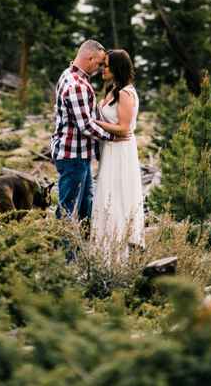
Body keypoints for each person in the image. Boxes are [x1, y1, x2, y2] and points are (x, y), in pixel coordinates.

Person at [51, 39, 116, 224]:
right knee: (68, 209)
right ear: (89, 57)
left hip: (78, 154)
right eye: (99, 63)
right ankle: (66, 252)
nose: (100, 67)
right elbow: (85, 125)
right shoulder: (77, 85)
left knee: (85, 204)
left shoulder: (68, 74)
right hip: (73, 156)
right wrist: (113, 136)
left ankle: (82, 249)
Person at [90, 48, 145, 260]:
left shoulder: (125, 93)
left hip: (120, 151)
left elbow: (124, 128)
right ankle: (104, 252)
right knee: (106, 197)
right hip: (110, 149)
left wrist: (93, 122)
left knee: (117, 198)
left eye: (106, 65)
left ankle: (118, 255)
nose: (103, 69)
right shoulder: (112, 91)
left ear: (117, 68)